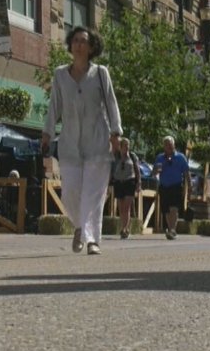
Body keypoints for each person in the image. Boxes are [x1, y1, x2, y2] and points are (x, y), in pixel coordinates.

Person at [42, 25, 123, 255]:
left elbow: (111, 104)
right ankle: (79, 226)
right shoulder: (60, 74)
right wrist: (47, 133)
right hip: (69, 144)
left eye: (83, 41)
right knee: (70, 192)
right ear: (70, 45)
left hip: (97, 142)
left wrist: (116, 133)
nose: (79, 44)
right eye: (75, 40)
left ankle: (92, 240)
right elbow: (54, 105)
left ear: (91, 47)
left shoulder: (100, 73)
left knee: (94, 193)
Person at [152, 136, 190, 239]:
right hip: (164, 186)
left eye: (170, 144)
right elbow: (154, 172)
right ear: (164, 146)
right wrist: (157, 170)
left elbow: (186, 173)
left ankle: (172, 229)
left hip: (176, 186)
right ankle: (170, 228)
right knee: (166, 210)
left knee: (174, 208)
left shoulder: (181, 157)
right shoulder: (160, 158)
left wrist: (189, 186)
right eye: (166, 144)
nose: (168, 146)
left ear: (173, 145)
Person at [110, 137, 141, 239]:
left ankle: (125, 228)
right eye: (125, 145)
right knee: (121, 207)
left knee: (126, 207)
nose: (127, 147)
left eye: (128, 145)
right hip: (119, 182)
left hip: (129, 182)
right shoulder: (116, 156)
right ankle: (124, 227)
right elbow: (112, 170)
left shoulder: (133, 157)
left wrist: (138, 183)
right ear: (121, 146)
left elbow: (137, 170)